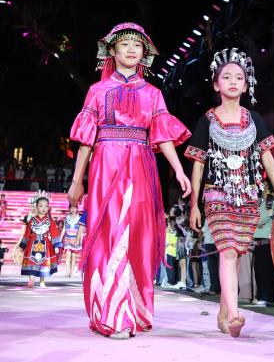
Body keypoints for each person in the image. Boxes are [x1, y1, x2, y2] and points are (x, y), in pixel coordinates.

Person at [67, 22, 192, 339]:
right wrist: (77, 181)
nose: (132, 49)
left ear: (145, 53)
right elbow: (85, 142)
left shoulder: (153, 93)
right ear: (112, 50)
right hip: (105, 165)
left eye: (138, 45)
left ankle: (134, 310)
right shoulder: (97, 91)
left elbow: (163, 136)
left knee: (137, 234)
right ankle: (111, 314)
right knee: (109, 233)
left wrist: (179, 170)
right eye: (124, 44)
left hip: (141, 166)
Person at [186, 48, 274, 338]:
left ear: (246, 86)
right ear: (216, 84)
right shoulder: (207, 120)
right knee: (228, 252)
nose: (233, 81)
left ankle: (223, 314)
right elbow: (198, 164)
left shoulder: (254, 119)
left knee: (234, 254)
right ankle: (234, 314)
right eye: (226, 77)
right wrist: (194, 204)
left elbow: (267, 157)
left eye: (239, 78)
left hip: (248, 196)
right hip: (217, 195)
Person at [19, 194, 61, 288]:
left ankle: (42, 281)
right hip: (32, 244)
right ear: (37, 207)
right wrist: (23, 245)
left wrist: (56, 246)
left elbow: (54, 233)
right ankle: (31, 280)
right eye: (41, 206)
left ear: (48, 208)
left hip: (45, 244)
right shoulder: (32, 220)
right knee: (31, 262)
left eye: (46, 206)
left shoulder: (50, 221)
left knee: (43, 263)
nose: (43, 208)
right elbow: (27, 233)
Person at [59, 203, 85, 277]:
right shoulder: (67, 218)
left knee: (73, 256)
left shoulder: (79, 218)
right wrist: (60, 238)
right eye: (71, 208)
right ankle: (67, 272)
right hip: (67, 238)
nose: (73, 210)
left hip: (75, 239)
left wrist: (80, 240)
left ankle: (71, 272)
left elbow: (81, 230)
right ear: (69, 209)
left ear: (77, 209)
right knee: (67, 255)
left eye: (74, 208)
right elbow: (64, 228)